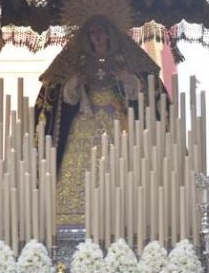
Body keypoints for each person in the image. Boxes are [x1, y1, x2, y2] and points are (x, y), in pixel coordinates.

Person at [35, 14, 162, 226]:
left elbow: (127, 96)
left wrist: (124, 80)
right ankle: (72, 214)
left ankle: (120, 213)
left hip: (115, 120)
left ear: (109, 33)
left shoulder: (120, 60)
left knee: (120, 163)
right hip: (87, 119)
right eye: (92, 33)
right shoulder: (81, 62)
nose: (96, 37)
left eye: (100, 31)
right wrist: (76, 80)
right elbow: (69, 98)